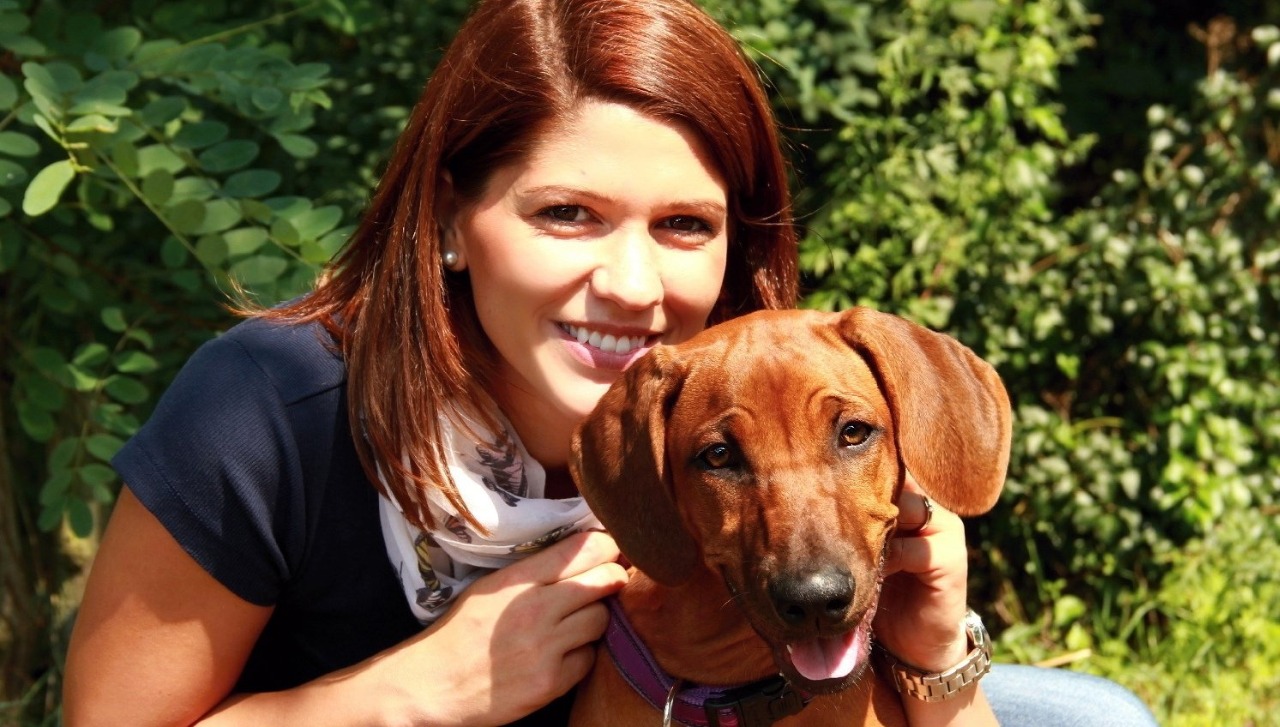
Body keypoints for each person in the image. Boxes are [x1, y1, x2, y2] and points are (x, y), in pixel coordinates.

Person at [62, 1, 1159, 725]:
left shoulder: (739, 392)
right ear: (447, 219)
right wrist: (405, 693)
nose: (634, 284)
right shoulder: (266, 411)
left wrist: (935, 654)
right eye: (567, 213)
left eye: (684, 224)